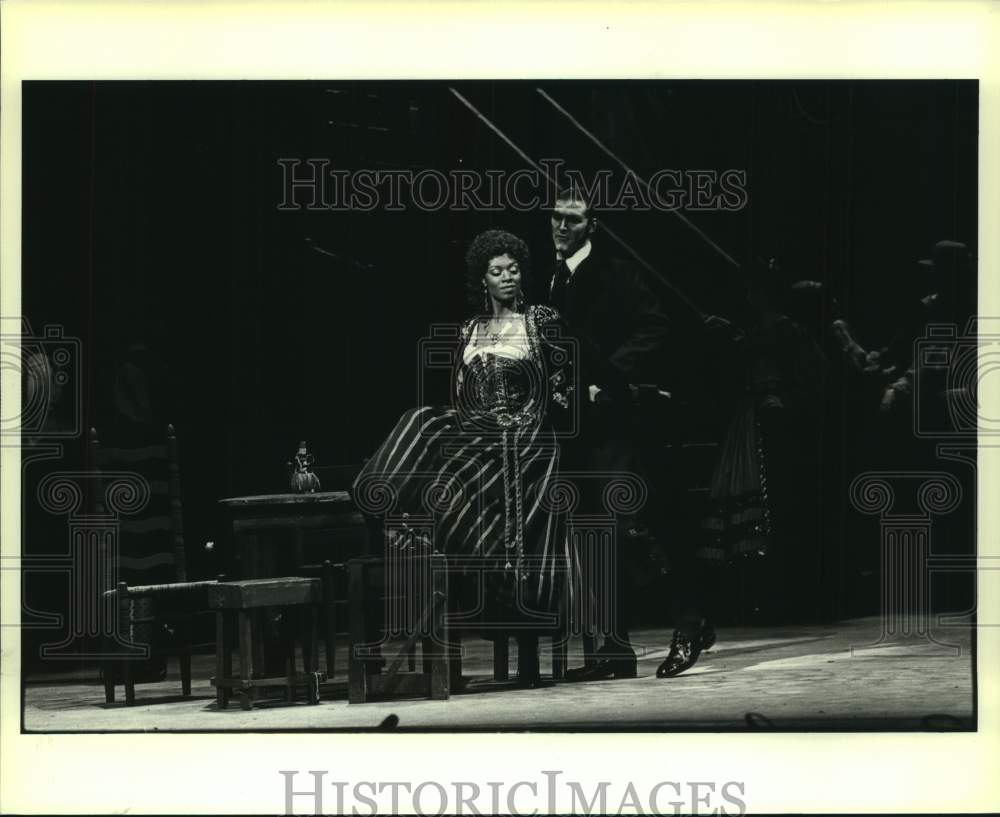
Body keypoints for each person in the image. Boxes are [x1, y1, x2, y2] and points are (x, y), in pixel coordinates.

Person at [352, 228, 574, 688]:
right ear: (483, 279)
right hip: (477, 434)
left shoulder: (539, 320)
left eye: (513, 269)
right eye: (497, 271)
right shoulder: (470, 330)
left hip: (524, 440)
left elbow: (561, 386)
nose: (507, 277)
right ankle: (385, 505)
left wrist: (540, 413)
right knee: (424, 421)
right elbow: (459, 392)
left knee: (462, 462)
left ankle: (434, 539)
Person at [543, 185, 713, 680]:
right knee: (592, 538)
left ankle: (690, 621)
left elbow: (654, 327)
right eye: (556, 217)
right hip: (571, 429)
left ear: (592, 226)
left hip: (614, 425)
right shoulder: (549, 281)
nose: (562, 226)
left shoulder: (617, 273)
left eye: (573, 219)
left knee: (626, 529)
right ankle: (614, 650)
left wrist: (609, 380)